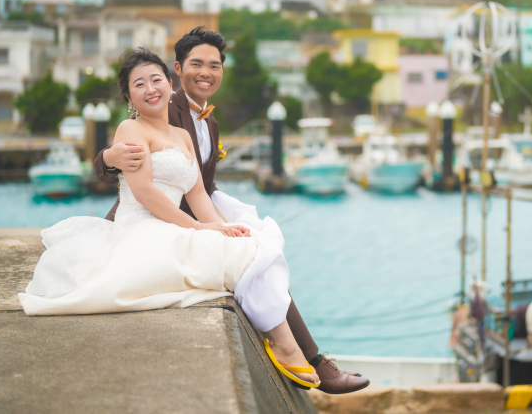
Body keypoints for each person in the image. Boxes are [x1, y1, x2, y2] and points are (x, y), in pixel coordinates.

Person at [20, 48, 320, 389]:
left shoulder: (181, 136)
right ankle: (285, 343)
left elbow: (196, 195)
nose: (150, 89)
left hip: (172, 226)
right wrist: (200, 227)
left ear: (169, 82)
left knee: (251, 239)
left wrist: (221, 226)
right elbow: (146, 192)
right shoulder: (130, 129)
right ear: (129, 95)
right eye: (139, 84)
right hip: (142, 228)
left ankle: (287, 342)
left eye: (156, 79)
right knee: (235, 254)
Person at [93, 27, 368, 394]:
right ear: (178, 69)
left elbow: (198, 184)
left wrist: (222, 225)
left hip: (197, 204)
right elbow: (129, 169)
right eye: (196, 64)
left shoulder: (208, 122)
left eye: (214, 65)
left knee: (259, 244)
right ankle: (307, 356)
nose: (206, 72)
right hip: (158, 219)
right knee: (251, 251)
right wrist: (108, 158)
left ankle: (305, 353)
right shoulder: (163, 105)